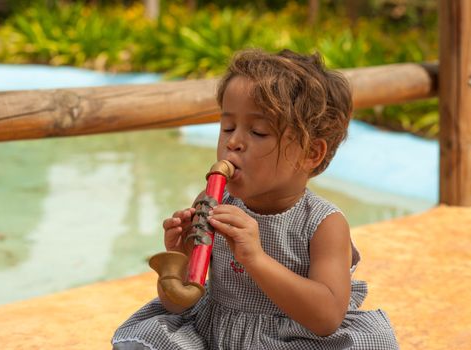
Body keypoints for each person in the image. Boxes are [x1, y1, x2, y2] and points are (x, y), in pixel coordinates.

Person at [112, 49, 398, 349]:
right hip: (215, 333)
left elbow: (327, 316)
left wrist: (255, 258)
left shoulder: (323, 224)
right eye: (227, 128)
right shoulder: (213, 203)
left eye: (258, 132)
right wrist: (180, 260)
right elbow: (176, 305)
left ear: (311, 153)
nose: (233, 142)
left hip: (288, 340)